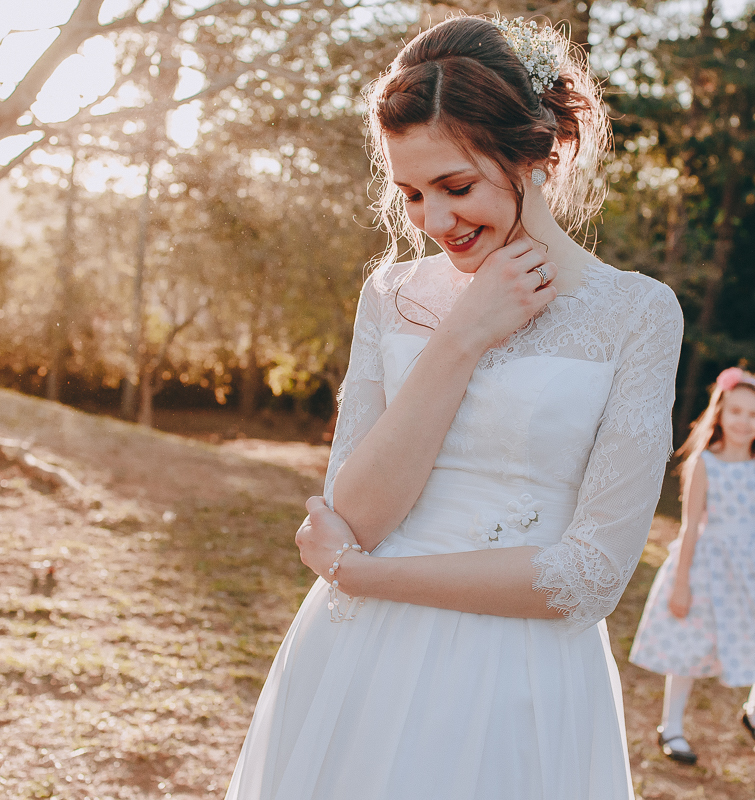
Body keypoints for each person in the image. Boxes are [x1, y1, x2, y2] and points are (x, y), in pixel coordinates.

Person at [222, 15, 683, 800]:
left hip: (519, 683)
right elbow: (354, 515)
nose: (436, 223)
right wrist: (462, 337)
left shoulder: (637, 314)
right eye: (411, 194)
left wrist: (366, 580)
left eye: (457, 187)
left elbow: (589, 576)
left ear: (539, 153)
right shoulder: (392, 296)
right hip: (357, 664)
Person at [628, 367, 755, 763]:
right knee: (690, 642)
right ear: (720, 412)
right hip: (709, 563)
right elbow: (689, 526)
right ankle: (673, 727)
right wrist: (681, 583)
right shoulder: (705, 463)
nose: (743, 421)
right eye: (736, 411)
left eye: (754, 415)